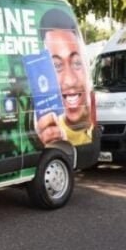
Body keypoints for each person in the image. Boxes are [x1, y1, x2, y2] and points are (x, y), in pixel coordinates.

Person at [35, 8, 92, 146]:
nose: (70, 80)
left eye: (77, 63)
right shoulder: (50, 132)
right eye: (56, 66)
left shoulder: (92, 127)